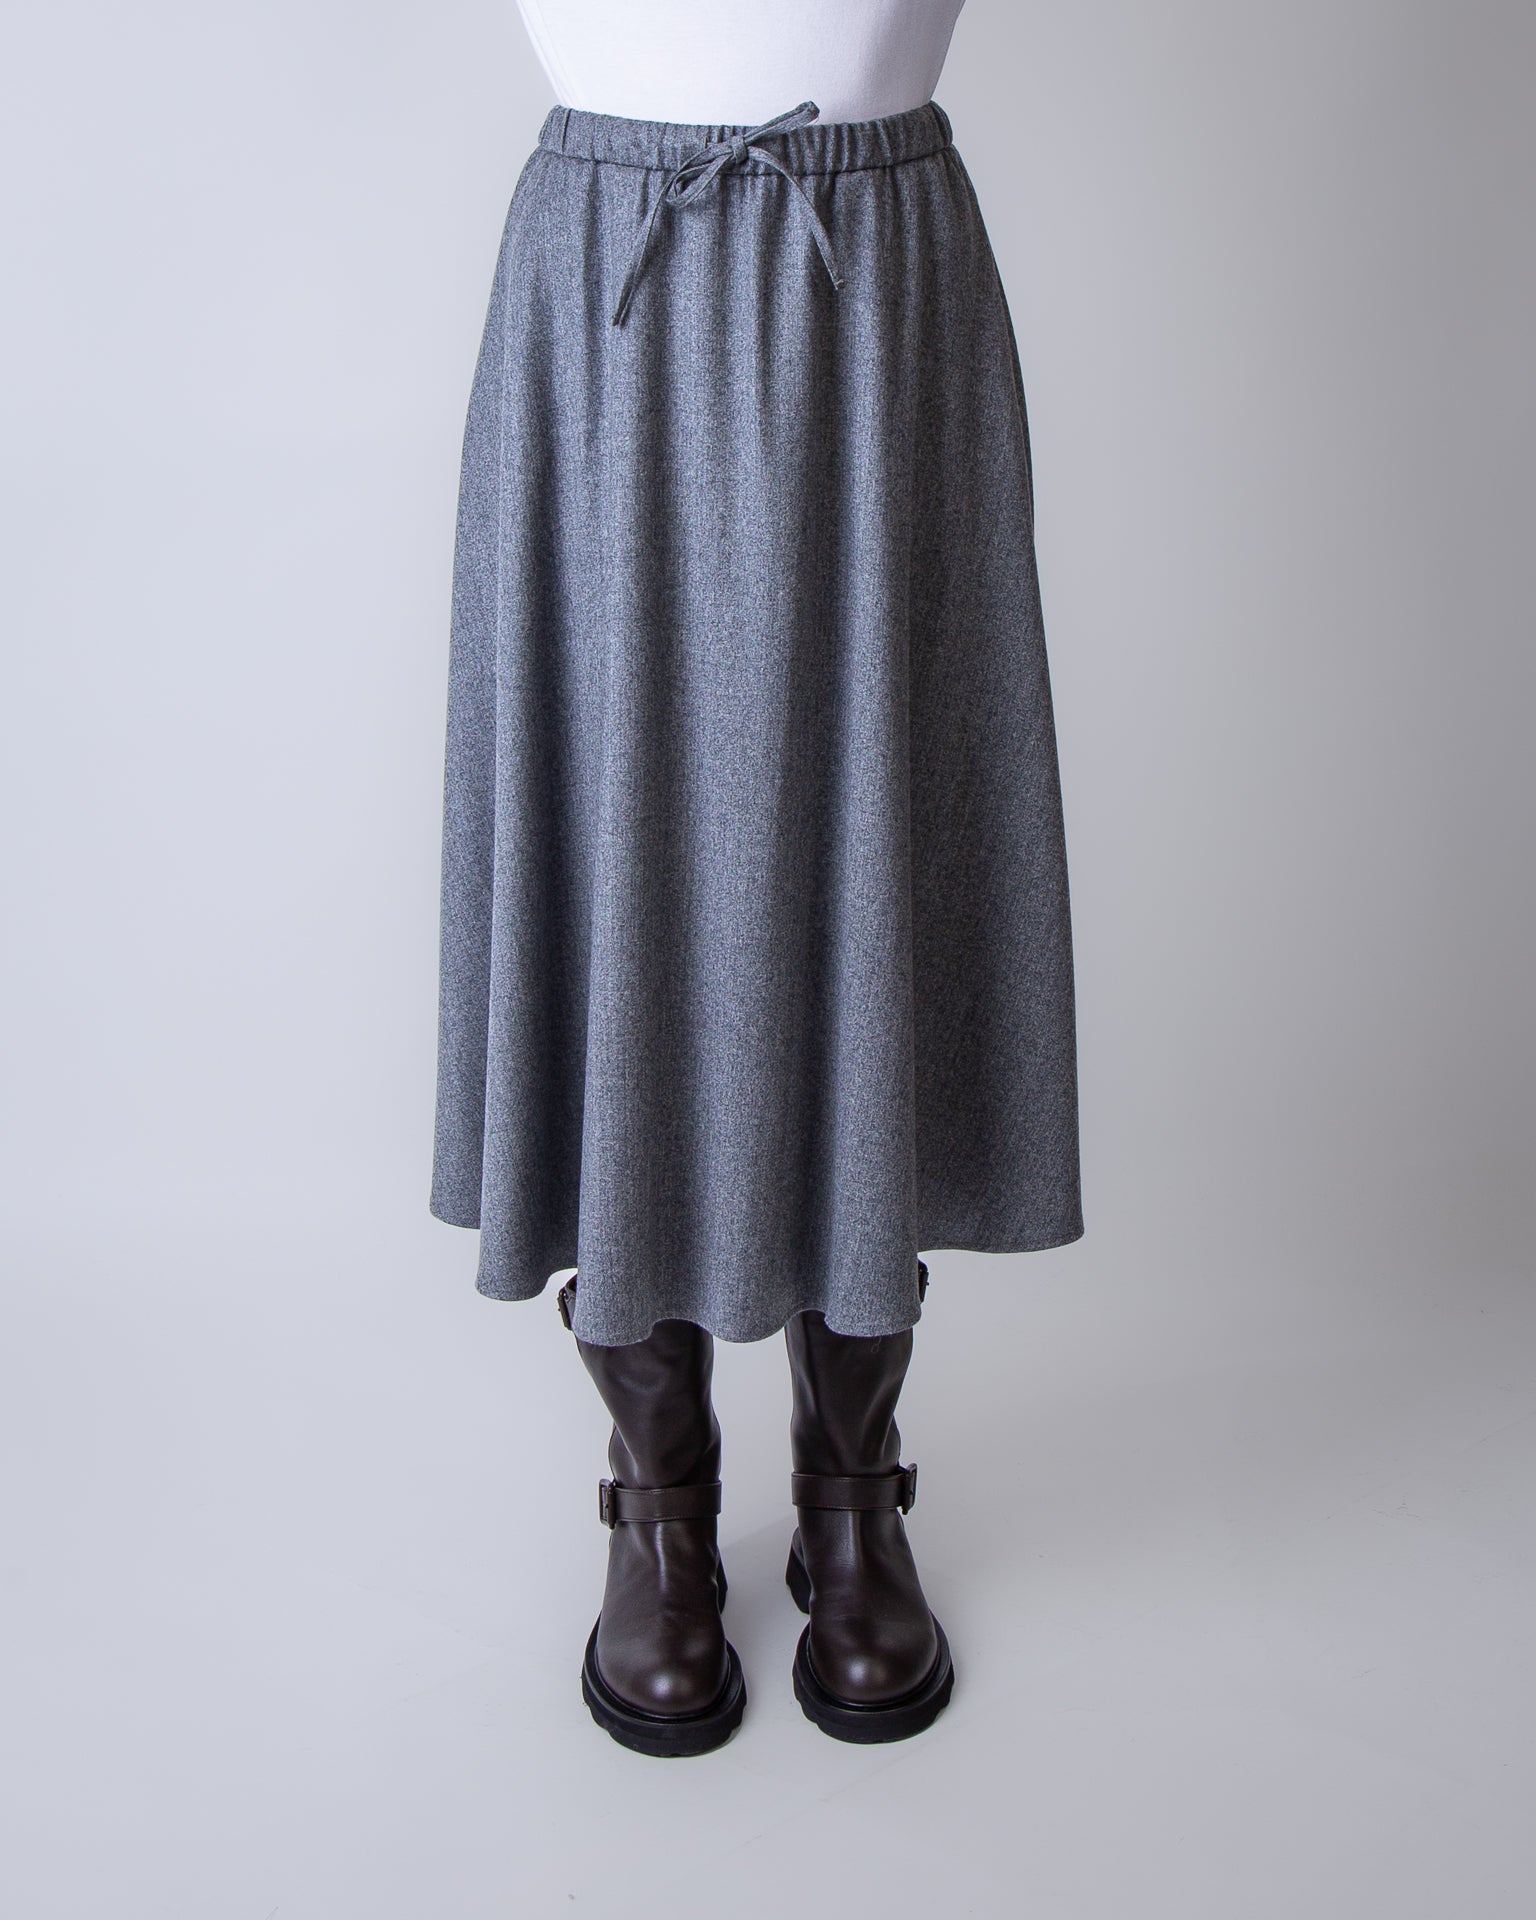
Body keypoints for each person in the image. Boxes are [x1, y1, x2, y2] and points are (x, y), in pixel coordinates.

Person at [430, 0, 1082, 1755]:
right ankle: (660, 1499)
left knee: (883, 840)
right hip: (606, 289)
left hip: (877, 283)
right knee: (621, 856)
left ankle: (852, 1489)